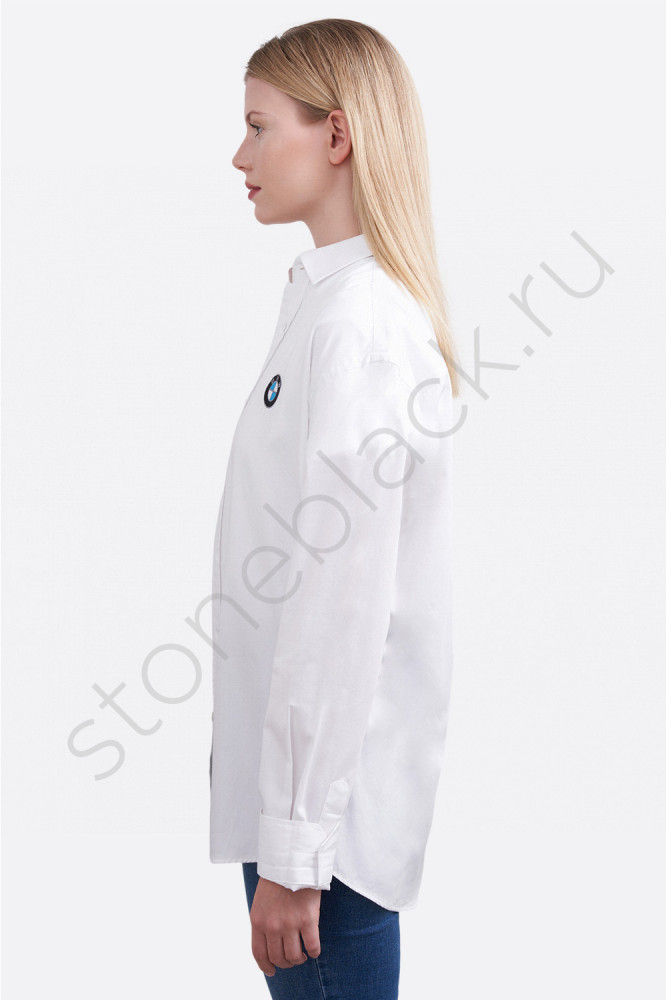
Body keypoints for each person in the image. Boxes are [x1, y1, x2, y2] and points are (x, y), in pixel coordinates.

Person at [208, 18, 461, 999]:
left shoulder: (358, 325)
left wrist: (295, 849)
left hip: (324, 843)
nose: (240, 156)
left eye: (258, 126)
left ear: (338, 136)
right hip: (310, 822)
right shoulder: (332, 307)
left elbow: (339, 602)